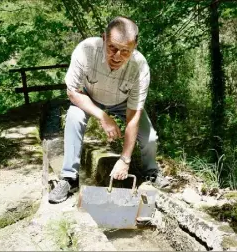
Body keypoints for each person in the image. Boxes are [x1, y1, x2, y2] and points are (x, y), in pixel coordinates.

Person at [49, 16, 169, 204]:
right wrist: (102, 116)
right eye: (112, 48)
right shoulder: (86, 50)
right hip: (89, 98)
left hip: (123, 103)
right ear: (103, 38)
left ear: (135, 46)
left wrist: (125, 159)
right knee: (73, 117)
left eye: (125, 51)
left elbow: (133, 117)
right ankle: (69, 178)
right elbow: (72, 93)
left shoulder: (140, 67)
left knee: (150, 137)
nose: (117, 56)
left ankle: (151, 173)